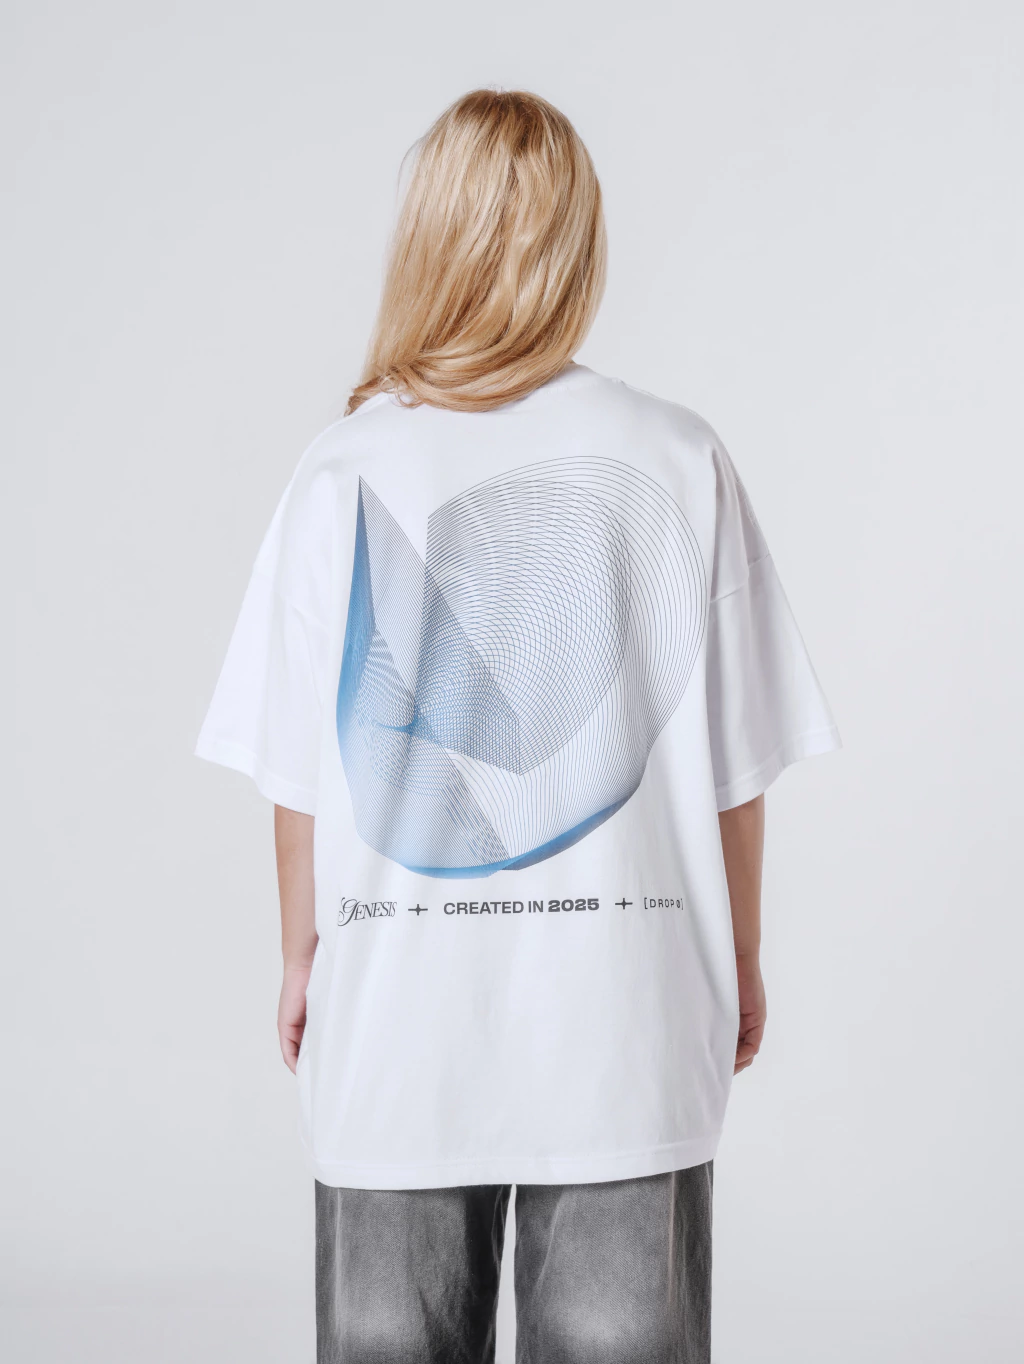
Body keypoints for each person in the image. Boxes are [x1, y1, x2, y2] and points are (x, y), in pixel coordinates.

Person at [196, 88, 840, 1364]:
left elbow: (300, 770)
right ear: (578, 243)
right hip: (627, 1017)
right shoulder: (677, 453)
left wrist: (299, 955)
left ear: (426, 238)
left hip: (395, 1019)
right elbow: (732, 769)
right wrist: (742, 956)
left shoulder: (340, 469)